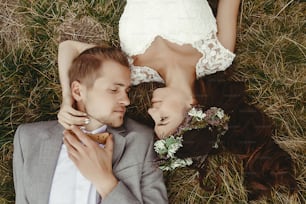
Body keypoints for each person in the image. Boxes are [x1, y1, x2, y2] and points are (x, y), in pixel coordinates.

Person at [56, 0, 296, 200]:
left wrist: (68, 99)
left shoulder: (131, 71)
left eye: (153, 120)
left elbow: (70, 48)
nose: (151, 112)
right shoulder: (219, 54)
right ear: (193, 108)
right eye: (163, 119)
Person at [13, 46, 168, 204]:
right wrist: (68, 98)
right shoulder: (28, 138)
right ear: (78, 92)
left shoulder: (140, 140)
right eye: (114, 89)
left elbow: (69, 46)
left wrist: (106, 183)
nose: (126, 101)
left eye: (127, 91)